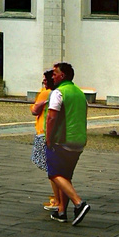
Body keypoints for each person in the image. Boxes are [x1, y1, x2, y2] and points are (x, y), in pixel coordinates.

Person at [45, 61, 90, 226]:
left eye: (55, 73)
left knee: (54, 173)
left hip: (61, 140)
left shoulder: (59, 93)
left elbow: (51, 117)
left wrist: (49, 139)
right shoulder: (79, 93)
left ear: (62, 76)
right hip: (78, 141)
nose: (52, 75)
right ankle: (62, 211)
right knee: (66, 176)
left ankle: (79, 203)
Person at [30, 69, 59, 210]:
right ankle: (58, 197)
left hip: (43, 132)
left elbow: (34, 110)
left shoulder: (46, 93)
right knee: (54, 167)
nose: (44, 82)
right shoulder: (59, 92)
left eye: (45, 80)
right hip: (57, 133)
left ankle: (57, 199)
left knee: (51, 170)